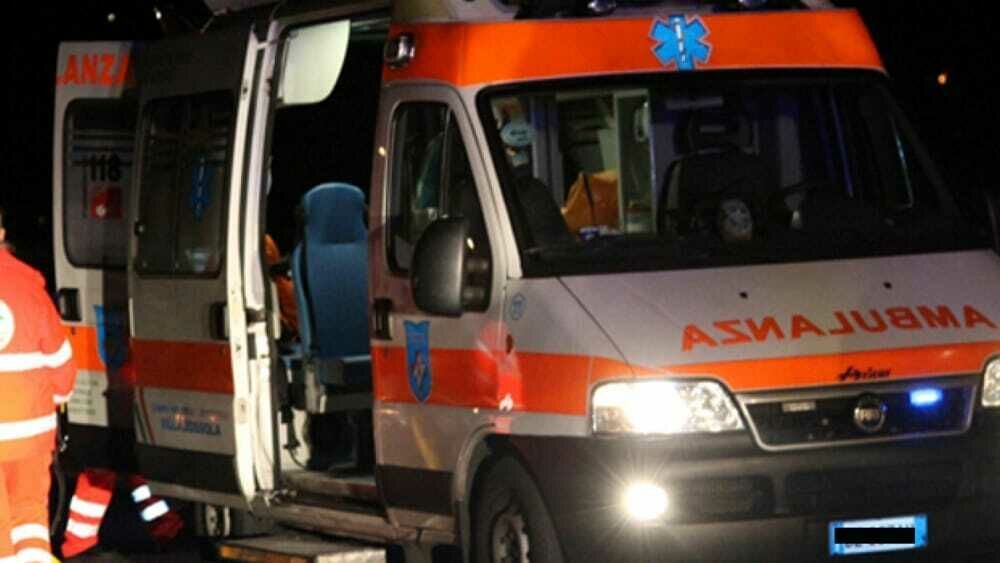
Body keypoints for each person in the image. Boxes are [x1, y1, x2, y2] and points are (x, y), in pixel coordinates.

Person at [0, 206, 76, 563]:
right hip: (31, 434)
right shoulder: (29, 286)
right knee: (29, 517)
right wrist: (59, 396)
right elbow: (61, 361)